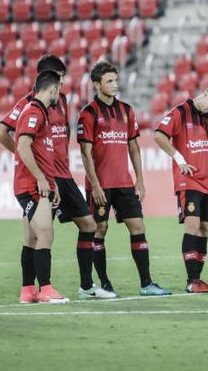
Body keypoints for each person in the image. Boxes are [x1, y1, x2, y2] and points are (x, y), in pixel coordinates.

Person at [0, 55, 112, 302]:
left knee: (85, 226)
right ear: (47, 77)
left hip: (60, 176)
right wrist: (29, 163)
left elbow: (62, 135)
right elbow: (1, 132)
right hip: (42, 178)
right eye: (59, 76)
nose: (63, 81)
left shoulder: (61, 100)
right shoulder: (29, 104)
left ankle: (85, 286)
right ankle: (34, 288)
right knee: (38, 235)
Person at [77, 60, 171, 297]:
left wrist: (139, 179)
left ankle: (146, 283)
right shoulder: (88, 114)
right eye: (109, 81)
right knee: (100, 229)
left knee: (138, 226)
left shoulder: (126, 110)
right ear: (97, 84)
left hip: (124, 183)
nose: (114, 85)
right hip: (100, 186)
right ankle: (105, 283)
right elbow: (85, 153)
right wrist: (95, 185)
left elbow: (134, 147)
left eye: (116, 80)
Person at [153, 85, 208, 293]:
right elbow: (159, 135)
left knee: (205, 228)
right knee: (192, 224)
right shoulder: (181, 111)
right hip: (188, 180)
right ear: (206, 95)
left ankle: (197, 279)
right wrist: (179, 159)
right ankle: (191, 281)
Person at [13, 70, 69, 303]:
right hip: (32, 186)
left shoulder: (38, 112)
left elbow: (40, 151)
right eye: (59, 88)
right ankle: (46, 289)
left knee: (32, 239)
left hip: (37, 184)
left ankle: (28, 290)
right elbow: (23, 146)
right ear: (52, 89)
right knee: (46, 234)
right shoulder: (34, 111)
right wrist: (40, 178)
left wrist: (51, 182)